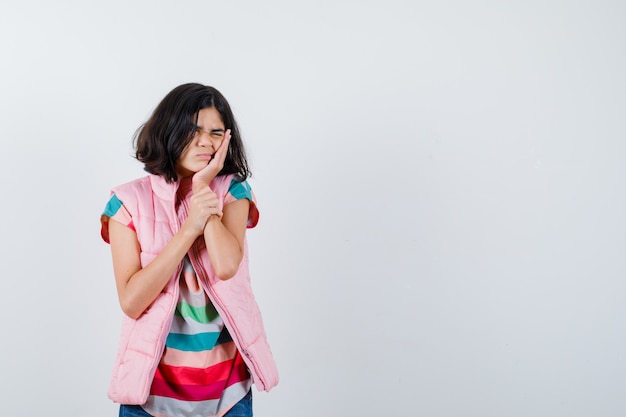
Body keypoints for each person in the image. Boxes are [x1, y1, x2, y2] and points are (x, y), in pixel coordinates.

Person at [100, 83, 279, 417]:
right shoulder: (126, 202)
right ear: (170, 131)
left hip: (227, 395)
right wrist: (189, 228)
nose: (206, 142)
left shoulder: (232, 191)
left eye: (215, 132)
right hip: (148, 397)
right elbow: (132, 301)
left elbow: (226, 266)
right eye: (194, 130)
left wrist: (202, 189)